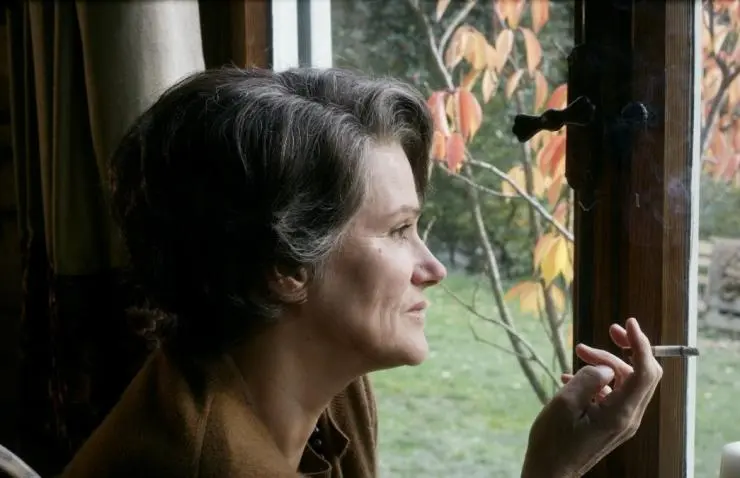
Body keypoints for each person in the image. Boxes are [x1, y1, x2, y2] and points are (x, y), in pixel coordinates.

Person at [60, 67, 663, 478]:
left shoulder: (324, 384)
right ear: (285, 266)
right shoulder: (210, 461)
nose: (434, 268)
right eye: (399, 230)